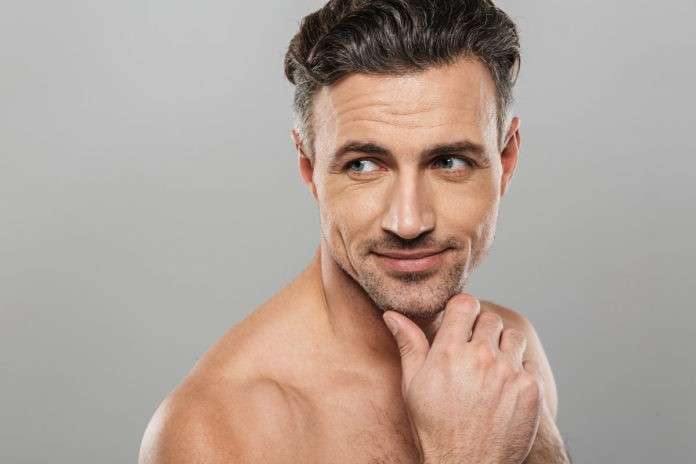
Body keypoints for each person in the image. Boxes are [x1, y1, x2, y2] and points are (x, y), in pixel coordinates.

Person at [139, 1, 572, 462]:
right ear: (309, 167)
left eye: (449, 162)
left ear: (506, 160)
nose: (409, 222)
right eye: (363, 165)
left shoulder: (507, 361)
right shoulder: (216, 431)